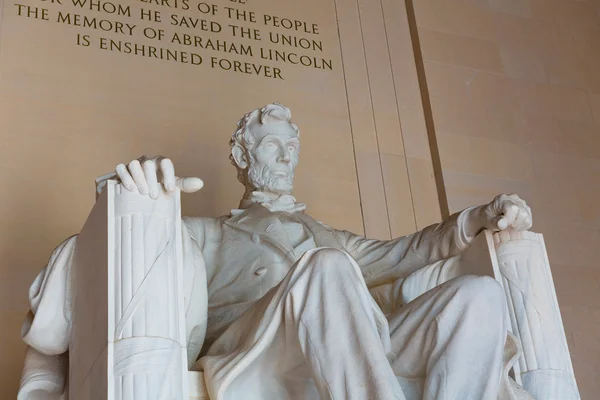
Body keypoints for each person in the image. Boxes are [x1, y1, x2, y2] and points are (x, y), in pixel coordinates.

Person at [19, 103, 533, 400]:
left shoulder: (334, 237)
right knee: (328, 268)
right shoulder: (208, 232)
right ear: (243, 156)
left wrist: (477, 220)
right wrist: (137, 188)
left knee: (479, 297)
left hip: (353, 351)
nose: (286, 156)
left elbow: (407, 252)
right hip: (256, 350)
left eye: (291, 146)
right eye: (270, 145)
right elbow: (125, 241)